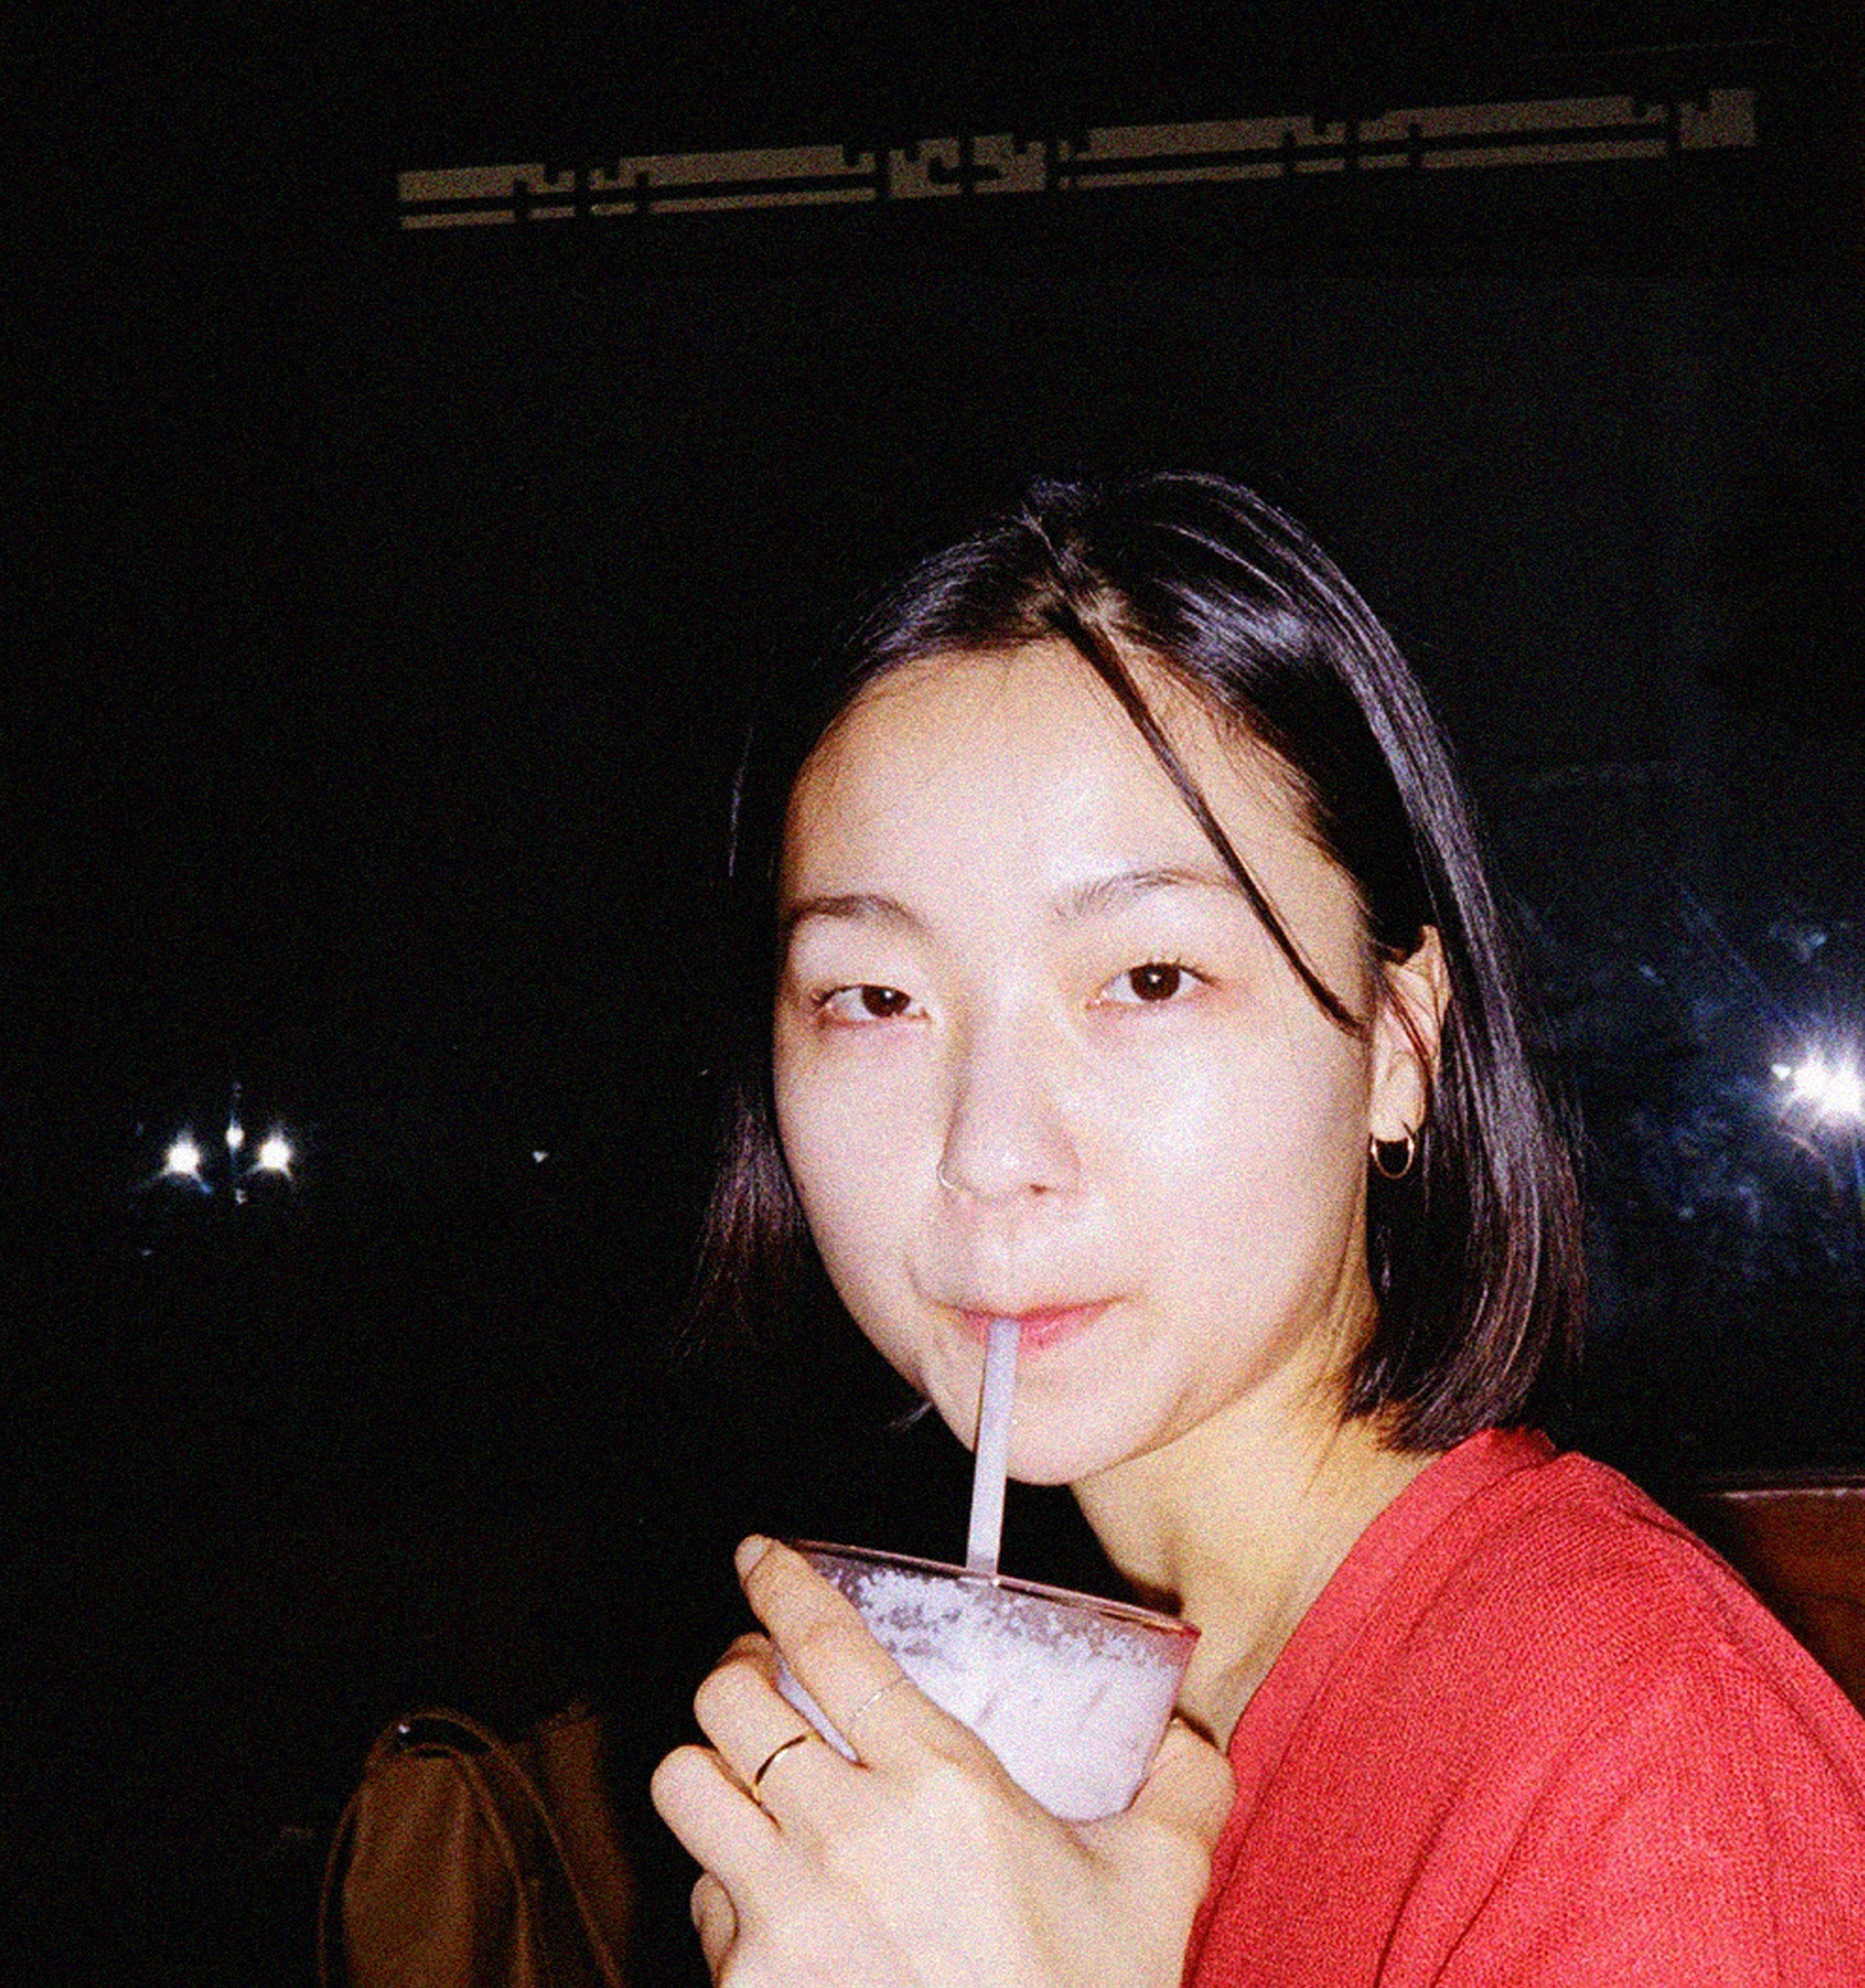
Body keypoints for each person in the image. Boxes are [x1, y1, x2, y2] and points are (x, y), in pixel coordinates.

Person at [649, 474, 1865, 1985]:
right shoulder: (1050, 1729)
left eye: (1149, 979)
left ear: (1397, 1044)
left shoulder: (1644, 1763)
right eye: (877, 998)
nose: (991, 1154)